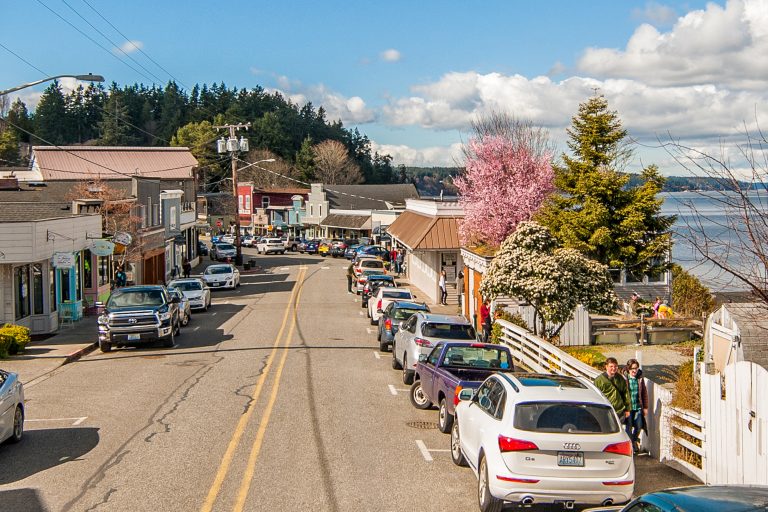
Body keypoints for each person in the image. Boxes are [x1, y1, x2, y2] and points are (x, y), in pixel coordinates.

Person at [594, 357, 631, 424]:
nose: (614, 368)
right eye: (611, 366)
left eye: (615, 366)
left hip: (619, 411)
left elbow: (625, 393)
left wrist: (627, 409)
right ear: (606, 367)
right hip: (606, 411)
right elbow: (596, 397)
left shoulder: (620, 378)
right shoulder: (599, 380)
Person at [624, 358, 648, 453]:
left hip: (637, 406)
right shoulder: (625, 379)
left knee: (639, 425)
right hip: (628, 408)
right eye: (632, 368)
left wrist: (645, 407)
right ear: (628, 369)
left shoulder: (640, 379)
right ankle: (629, 446)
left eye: (636, 368)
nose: (634, 370)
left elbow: (644, 393)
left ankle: (634, 441)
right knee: (629, 427)